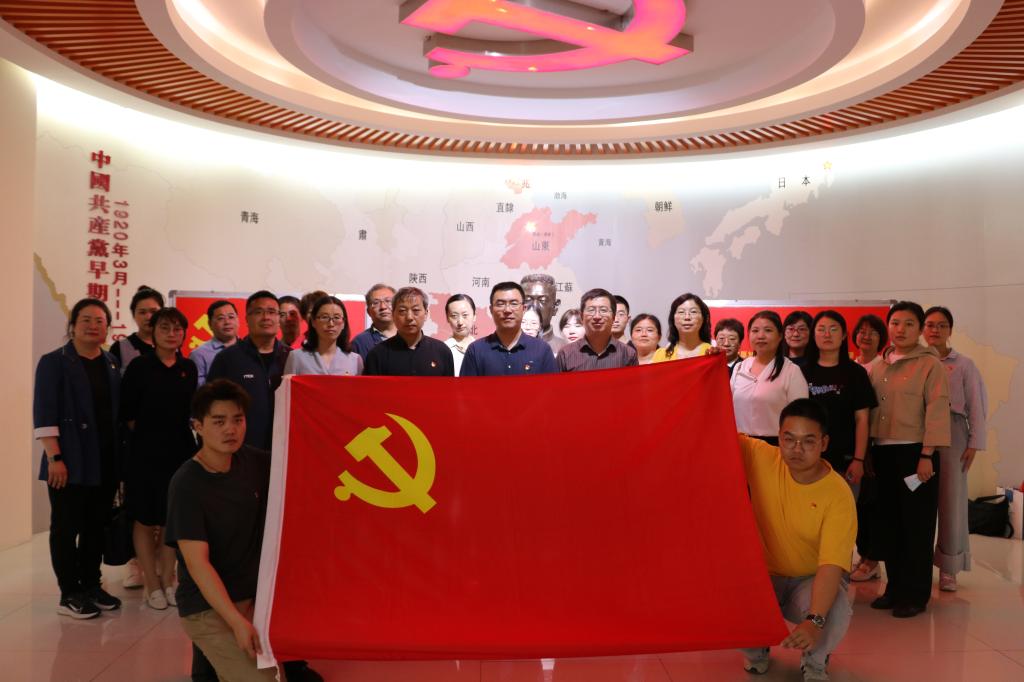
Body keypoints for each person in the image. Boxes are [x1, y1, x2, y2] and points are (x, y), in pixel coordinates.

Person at [165, 379, 284, 682]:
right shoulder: (187, 484)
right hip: (207, 607)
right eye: (219, 422)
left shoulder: (253, 461)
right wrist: (235, 622)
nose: (230, 429)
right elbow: (197, 564)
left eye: (237, 420)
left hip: (250, 598)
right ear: (198, 426)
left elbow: (301, 461)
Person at [738, 399, 856, 682]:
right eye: (789, 439)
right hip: (764, 578)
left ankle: (815, 660)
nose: (796, 449)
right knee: (729, 589)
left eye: (808, 441)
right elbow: (712, 429)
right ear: (779, 437)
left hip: (809, 582)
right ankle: (756, 650)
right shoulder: (761, 456)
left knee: (837, 609)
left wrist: (815, 620)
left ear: (824, 443)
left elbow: (831, 566)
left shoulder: (838, 494)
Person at [33, 298, 123, 618]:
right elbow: (44, 412)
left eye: (100, 321)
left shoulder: (111, 363)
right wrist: (54, 457)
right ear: (72, 325)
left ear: (107, 328)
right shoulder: (54, 362)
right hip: (68, 460)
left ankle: (91, 585)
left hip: (104, 460)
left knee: (95, 526)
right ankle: (69, 592)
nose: (93, 326)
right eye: (86, 319)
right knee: (66, 527)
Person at [868, 301, 950, 618]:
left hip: (916, 454)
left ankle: (915, 594)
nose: (900, 329)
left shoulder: (930, 365)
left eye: (909, 324)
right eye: (895, 323)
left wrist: (928, 454)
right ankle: (894, 588)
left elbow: (937, 410)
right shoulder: (879, 365)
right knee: (889, 522)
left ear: (919, 329)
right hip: (882, 453)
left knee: (916, 525)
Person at [120, 307, 198, 610]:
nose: (171, 334)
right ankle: (151, 584)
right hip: (144, 453)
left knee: (169, 519)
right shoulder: (140, 366)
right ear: (153, 332)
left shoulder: (188, 368)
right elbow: (128, 415)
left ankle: (168, 581)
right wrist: (150, 437)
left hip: (179, 452)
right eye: (165, 328)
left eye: (177, 329)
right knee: (144, 518)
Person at [924, 306, 987, 592]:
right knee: (917, 499)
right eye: (930, 325)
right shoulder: (917, 360)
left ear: (950, 330)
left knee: (951, 501)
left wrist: (974, 443)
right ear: (922, 329)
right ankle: (917, 564)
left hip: (953, 432)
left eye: (941, 325)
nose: (935, 330)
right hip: (919, 432)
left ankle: (949, 568)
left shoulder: (963, 364)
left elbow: (976, 404)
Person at [206, 291, 291, 450]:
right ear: (246, 319)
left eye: (271, 312)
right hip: (240, 450)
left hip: (284, 448)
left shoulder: (291, 357)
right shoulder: (227, 358)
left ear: (279, 318)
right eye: (258, 312)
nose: (266, 317)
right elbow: (210, 406)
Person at [801, 311, 877, 484]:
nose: (827, 334)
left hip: (846, 460)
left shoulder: (856, 373)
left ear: (843, 336)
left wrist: (858, 460)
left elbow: (862, 419)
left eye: (833, 329)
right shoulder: (801, 372)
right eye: (821, 329)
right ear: (813, 335)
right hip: (808, 458)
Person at [848, 313, 889, 583]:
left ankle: (873, 560)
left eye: (872, 332)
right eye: (862, 331)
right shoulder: (851, 366)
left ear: (881, 338)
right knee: (859, 506)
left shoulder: (884, 367)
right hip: (853, 443)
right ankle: (864, 555)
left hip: (877, 444)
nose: (866, 336)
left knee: (874, 505)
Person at [731, 311, 809, 444]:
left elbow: (800, 417)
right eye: (755, 330)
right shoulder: (739, 368)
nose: (760, 336)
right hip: (739, 444)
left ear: (780, 336)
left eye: (768, 330)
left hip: (774, 446)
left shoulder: (791, 371)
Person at [461, 282, 558, 376]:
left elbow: (552, 387)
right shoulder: (476, 350)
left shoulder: (542, 350)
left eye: (514, 303)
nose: (507, 310)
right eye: (500, 304)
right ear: (491, 310)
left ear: (523, 309)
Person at [364, 287, 455, 377]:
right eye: (402, 311)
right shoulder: (377, 355)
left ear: (426, 313)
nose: (409, 317)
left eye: (416, 310)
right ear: (393, 314)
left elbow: (449, 386)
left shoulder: (442, 352)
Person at [556, 288, 638, 371]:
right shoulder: (565, 354)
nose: (597, 316)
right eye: (591, 310)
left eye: (603, 310)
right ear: (582, 317)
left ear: (613, 317)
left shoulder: (628, 354)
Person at [283, 295, 363, 376]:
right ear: (313, 322)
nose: (331, 324)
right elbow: (288, 384)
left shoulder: (355, 360)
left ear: (343, 323)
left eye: (336, 317)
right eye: (324, 317)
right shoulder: (296, 357)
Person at [111, 285, 163, 372]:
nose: (148, 317)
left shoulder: (171, 344)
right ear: (133, 315)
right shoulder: (120, 347)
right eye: (142, 312)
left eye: (153, 312)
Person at [191, 300, 239, 386]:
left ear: (238, 320)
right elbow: (199, 389)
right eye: (221, 318)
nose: (227, 322)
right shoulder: (199, 354)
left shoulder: (250, 349)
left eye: (231, 317)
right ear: (210, 324)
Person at [653, 293, 712, 362]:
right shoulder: (661, 355)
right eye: (681, 312)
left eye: (693, 312)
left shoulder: (712, 353)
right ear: (673, 319)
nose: (687, 317)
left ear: (704, 318)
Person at [521, 273, 565, 354]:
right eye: (528, 300)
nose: (534, 306)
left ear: (555, 308)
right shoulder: (508, 346)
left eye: (542, 300)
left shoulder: (564, 349)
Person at [351, 283, 397, 360]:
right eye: (376, 303)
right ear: (368, 311)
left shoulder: (409, 337)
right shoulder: (360, 342)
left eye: (388, 301)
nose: (383, 307)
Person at [444, 294, 476, 376]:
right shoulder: (443, 350)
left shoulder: (481, 349)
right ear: (447, 318)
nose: (460, 322)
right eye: (454, 316)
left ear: (474, 316)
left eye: (465, 315)